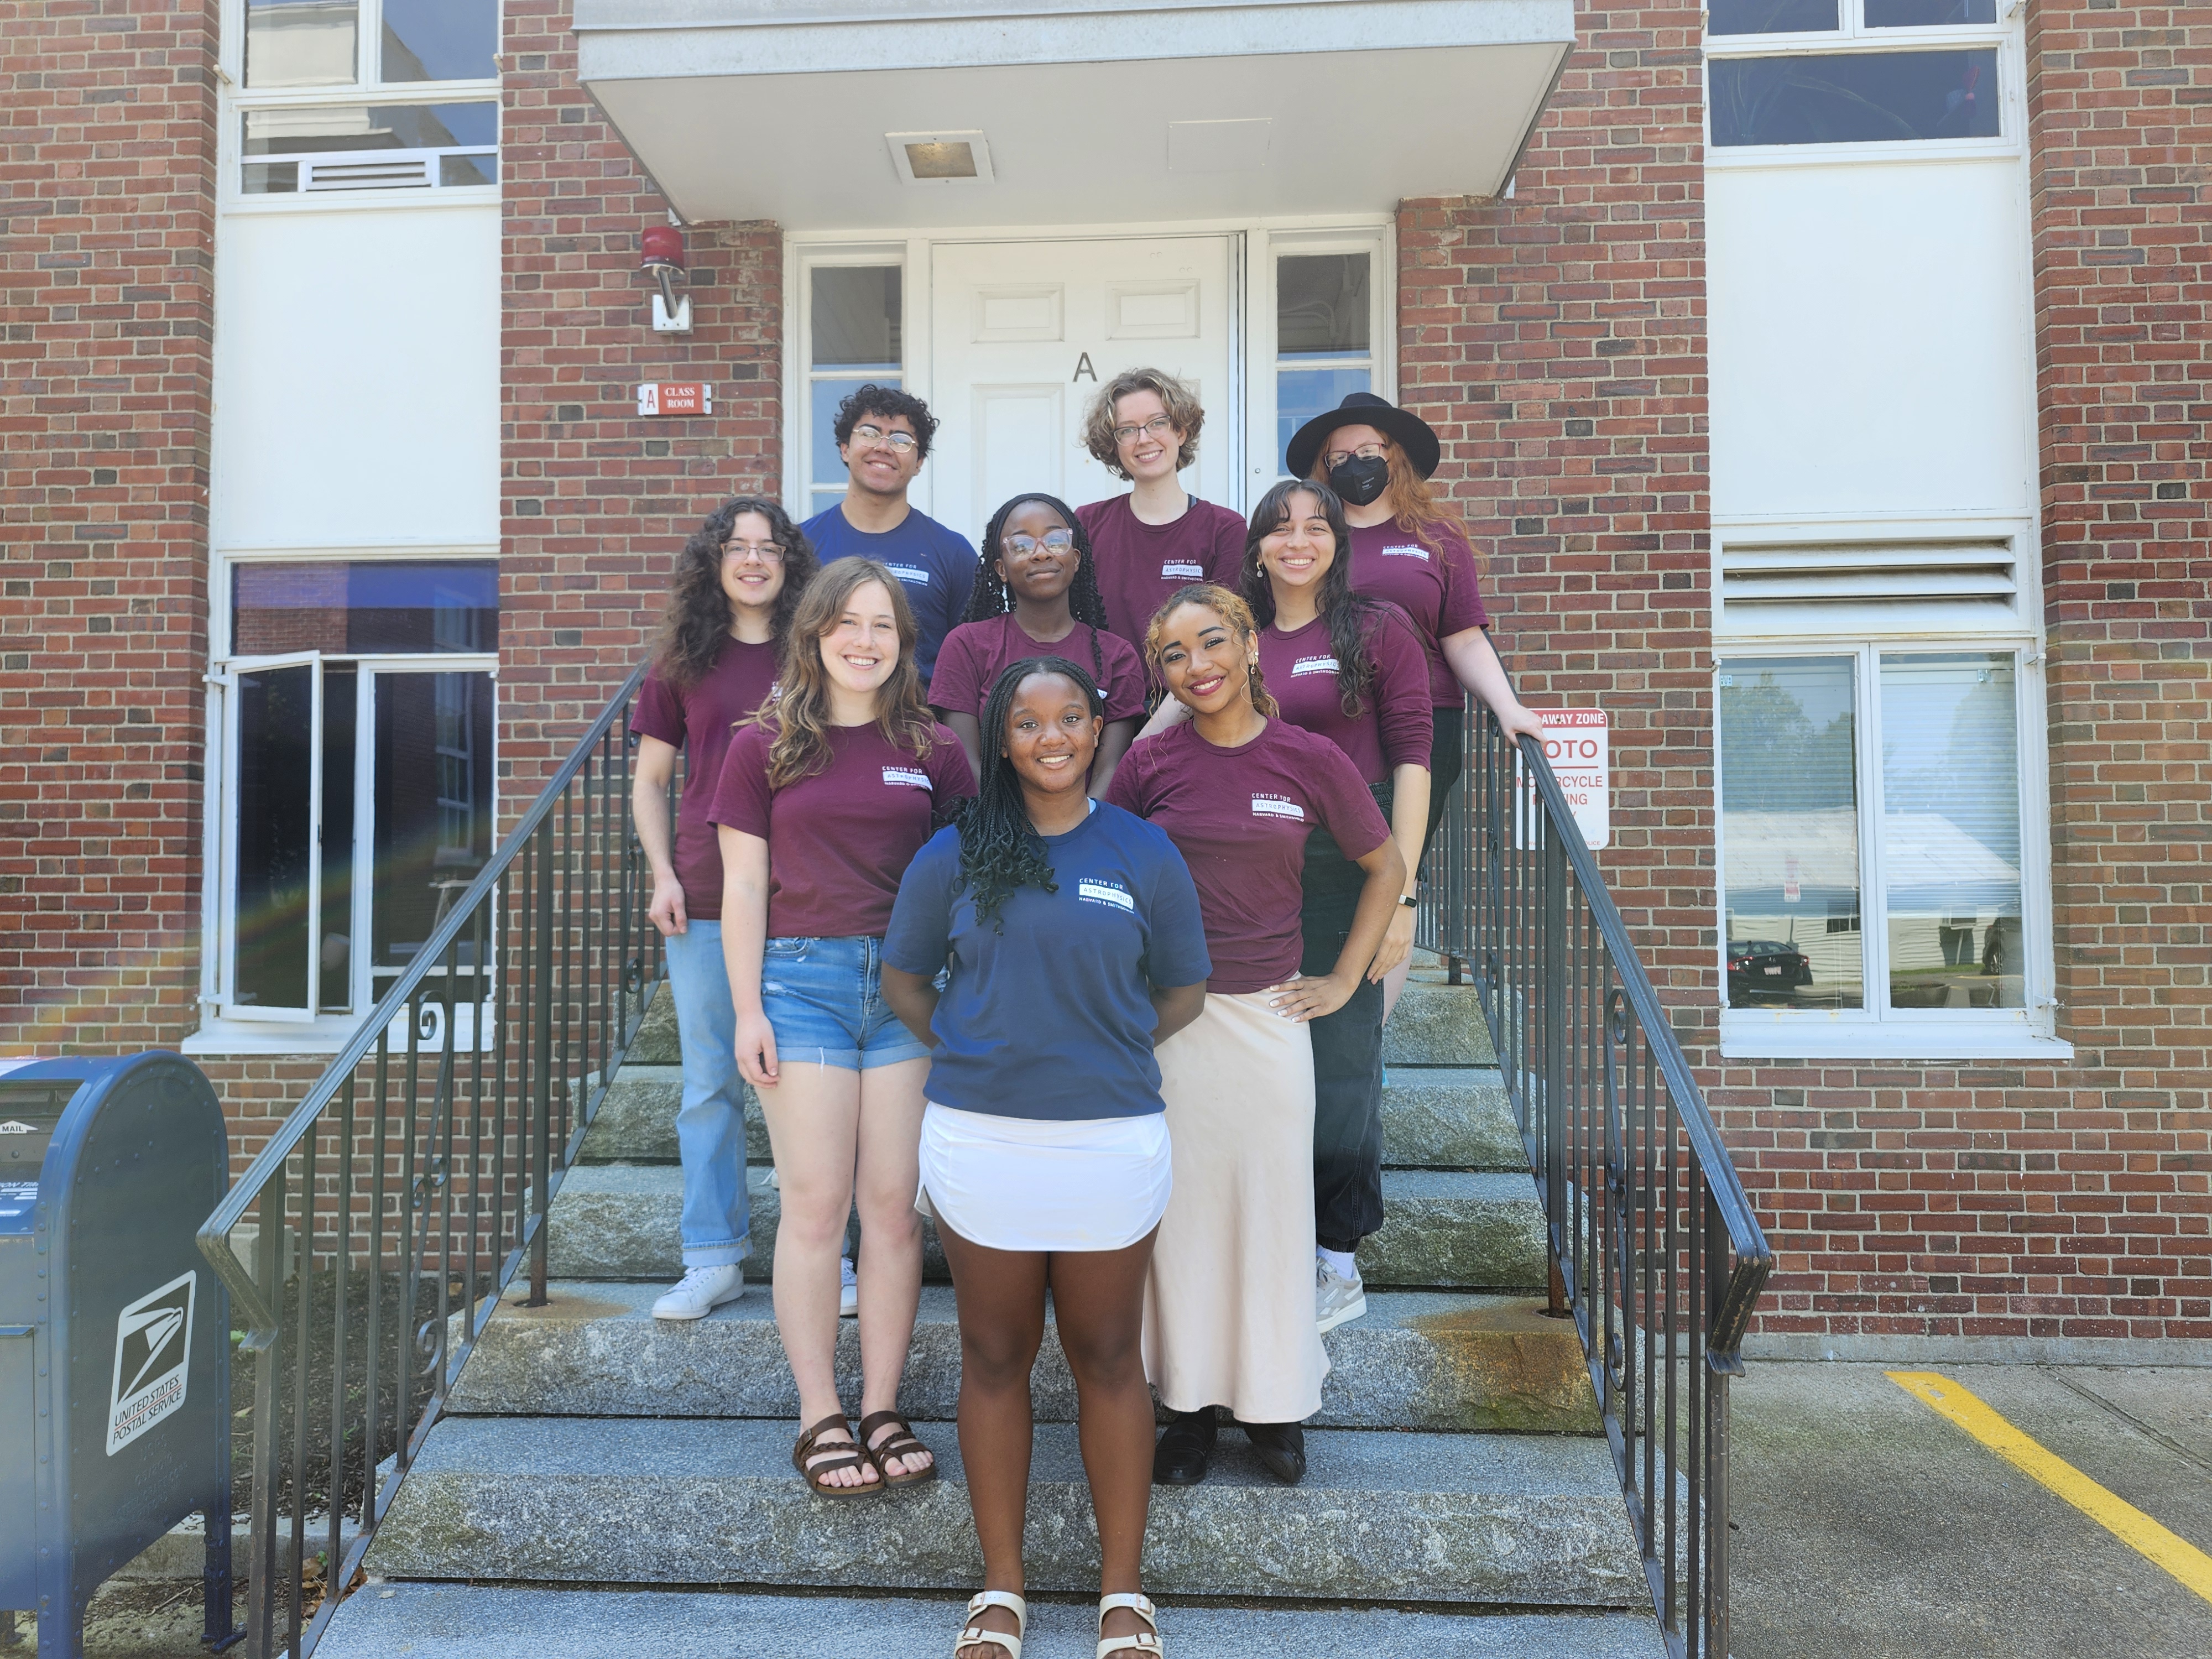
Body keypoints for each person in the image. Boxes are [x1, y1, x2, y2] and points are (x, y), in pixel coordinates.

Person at [883, 656, 1210, 1659]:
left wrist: (1100, 1050)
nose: (1052, 737)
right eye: (1028, 723)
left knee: (1109, 1356)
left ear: (1098, 727)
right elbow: (904, 981)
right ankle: (1001, 1590)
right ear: (1001, 738)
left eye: (1070, 717)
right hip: (982, 1140)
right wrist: (979, 1050)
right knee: (993, 1357)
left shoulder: (1144, 850)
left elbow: (1184, 991)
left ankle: (1123, 1596)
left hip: (1110, 1140)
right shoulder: (954, 854)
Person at [1105, 585, 1405, 1489]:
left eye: (1212, 643)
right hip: (1173, 1024)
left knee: (1275, 1217)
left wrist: (1344, 979)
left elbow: (1385, 865)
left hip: (1271, 1022)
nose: (1197, 666)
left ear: (1247, 644)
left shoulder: (1307, 757)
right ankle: (1190, 1410)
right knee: (1184, 1225)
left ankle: (1274, 1407)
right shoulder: (1150, 766)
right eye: (1174, 655)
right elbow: (1102, 870)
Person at [708, 559, 976, 1495]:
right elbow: (744, 887)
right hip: (801, 985)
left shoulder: (934, 749)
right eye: (847, 624)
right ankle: (819, 1412)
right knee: (818, 1205)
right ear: (815, 634)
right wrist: (747, 1009)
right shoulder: (764, 746)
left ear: (904, 642)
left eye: (883, 626)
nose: (865, 641)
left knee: (894, 1210)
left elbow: (969, 878)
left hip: (909, 989)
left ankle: (883, 1406)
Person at [1242, 479, 1432, 1333]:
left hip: (1355, 870)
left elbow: (1414, 759)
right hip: (1256, 870)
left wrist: (1404, 893)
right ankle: (1270, 1243)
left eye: (1317, 526)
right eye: (1281, 528)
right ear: (1257, 548)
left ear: (1337, 543)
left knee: (1344, 1064)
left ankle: (1337, 1259)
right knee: (1258, 1064)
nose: (1299, 541)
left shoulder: (1378, 629)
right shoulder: (1240, 637)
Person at [1285, 392, 1546, 1008]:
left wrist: (1507, 706)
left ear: (1393, 455)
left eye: (1367, 450)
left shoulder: (1435, 537)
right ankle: (1311, 1014)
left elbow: (1463, 636)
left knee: (1394, 874)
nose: (1355, 464)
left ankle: (1368, 1029)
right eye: (1339, 456)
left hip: (1423, 731)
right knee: (1318, 875)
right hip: (1325, 723)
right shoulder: (1311, 537)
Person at [630, 497, 820, 1321]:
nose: (752, 559)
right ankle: (713, 1258)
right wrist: (662, 874)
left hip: (807, 895)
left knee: (815, 1083)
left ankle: (831, 1257)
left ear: (788, 562)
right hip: (709, 895)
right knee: (711, 1082)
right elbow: (650, 781)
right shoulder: (683, 662)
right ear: (714, 562)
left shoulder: (819, 649)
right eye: (736, 547)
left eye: (768, 547)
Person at [928, 492, 1147, 795]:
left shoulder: (1116, 656)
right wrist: (1006, 822)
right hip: (990, 821)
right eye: (1021, 545)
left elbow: (1110, 770)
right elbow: (966, 761)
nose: (1041, 554)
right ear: (1001, 568)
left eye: (1055, 541)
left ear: (1076, 558)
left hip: (1089, 820)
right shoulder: (967, 645)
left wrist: (1081, 823)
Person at [803, 383, 977, 688]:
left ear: (919, 462)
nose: (883, 448)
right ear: (845, 449)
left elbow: (974, 663)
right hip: (817, 715)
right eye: (869, 434)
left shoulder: (953, 553)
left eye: (901, 440)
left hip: (919, 717)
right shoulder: (801, 545)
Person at [1075, 367, 1245, 656]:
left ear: (1180, 431)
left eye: (1157, 423)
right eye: (1127, 430)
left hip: (1193, 685)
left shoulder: (1224, 529)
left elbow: (1226, 638)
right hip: (1104, 685)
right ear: (1114, 444)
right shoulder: (1087, 524)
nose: (1144, 439)